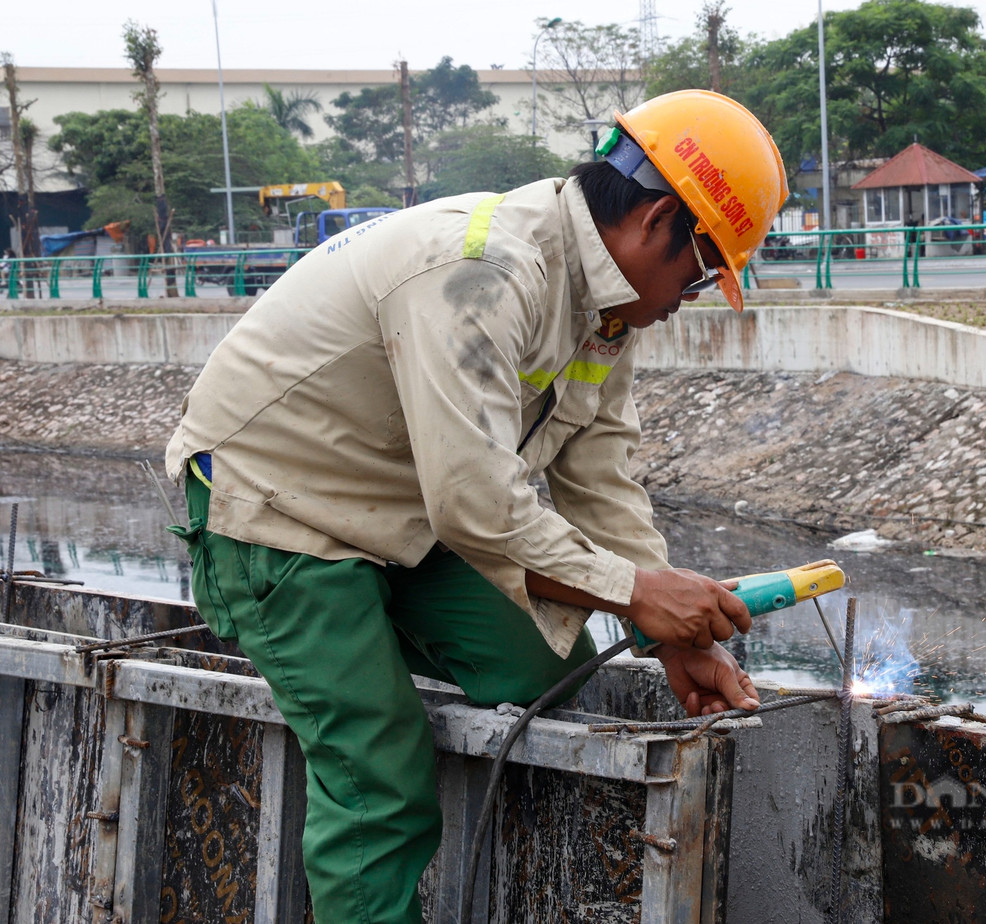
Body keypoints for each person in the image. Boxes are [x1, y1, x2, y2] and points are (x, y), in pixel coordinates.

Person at [164, 89, 788, 923]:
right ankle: (342, 660)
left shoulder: (606, 313)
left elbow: (597, 471)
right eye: (702, 268)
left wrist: (661, 629)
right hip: (279, 512)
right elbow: (474, 503)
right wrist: (635, 594)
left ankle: (363, 639)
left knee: (543, 673)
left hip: (404, 519)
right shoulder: (483, 272)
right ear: (654, 222)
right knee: (378, 774)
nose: (696, 293)